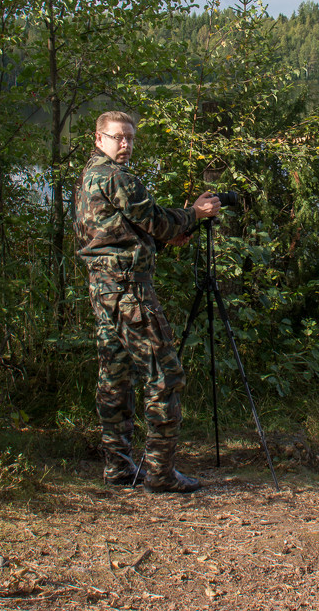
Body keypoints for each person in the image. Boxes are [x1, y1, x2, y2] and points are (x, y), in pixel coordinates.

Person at [73, 110, 221, 493]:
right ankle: (160, 473)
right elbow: (155, 220)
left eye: (130, 138)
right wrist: (194, 214)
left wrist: (162, 237)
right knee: (165, 376)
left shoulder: (90, 175)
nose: (125, 145)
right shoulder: (116, 177)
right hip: (129, 290)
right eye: (118, 137)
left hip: (102, 288)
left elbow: (118, 232)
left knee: (115, 377)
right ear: (99, 138)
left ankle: (119, 469)